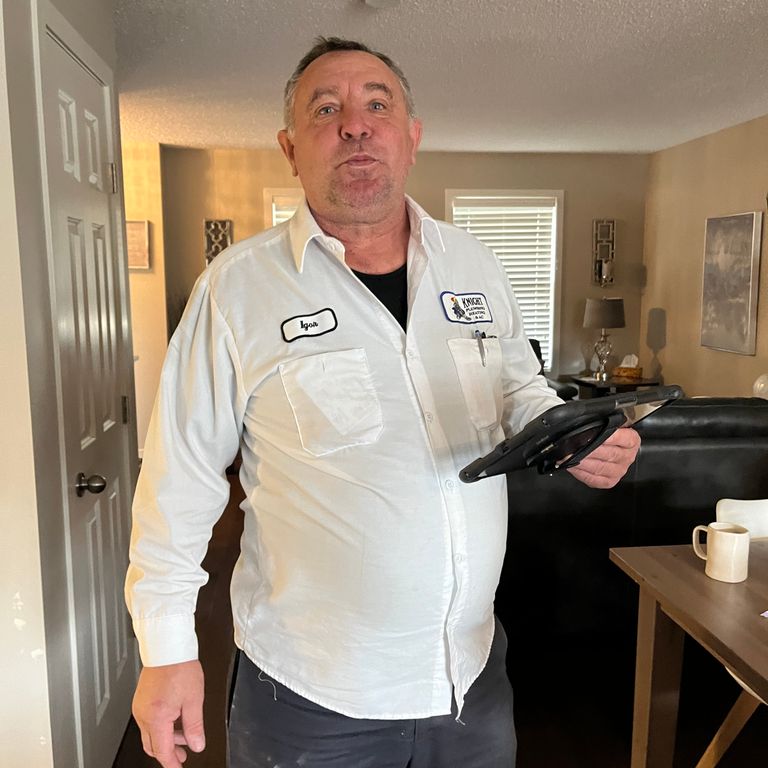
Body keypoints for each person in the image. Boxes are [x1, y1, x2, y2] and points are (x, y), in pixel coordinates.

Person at [126, 37, 641, 768]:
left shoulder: (475, 265)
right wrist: (168, 650)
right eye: (325, 110)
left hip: (471, 678)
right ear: (290, 148)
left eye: (377, 104)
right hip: (311, 696)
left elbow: (518, 388)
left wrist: (572, 436)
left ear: (411, 137)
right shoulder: (235, 291)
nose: (355, 125)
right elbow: (177, 478)